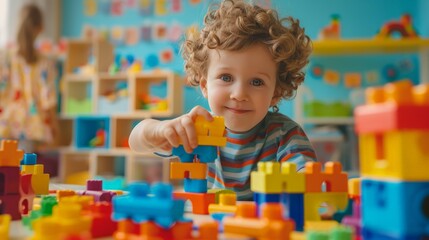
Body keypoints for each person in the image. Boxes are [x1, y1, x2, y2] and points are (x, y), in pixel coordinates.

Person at [129, 0, 316, 200]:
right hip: (210, 225)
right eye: (226, 78)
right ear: (204, 85)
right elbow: (136, 141)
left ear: (276, 93)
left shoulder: (285, 135)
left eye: (256, 82)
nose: (239, 94)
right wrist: (159, 130)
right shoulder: (195, 129)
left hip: (265, 226)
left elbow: (308, 179)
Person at [0, 3, 57, 152]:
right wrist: (55, 125)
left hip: (7, 122)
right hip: (32, 125)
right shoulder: (44, 62)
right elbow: (48, 98)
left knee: (5, 168)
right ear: (40, 28)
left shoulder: (6, 57)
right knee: (27, 169)